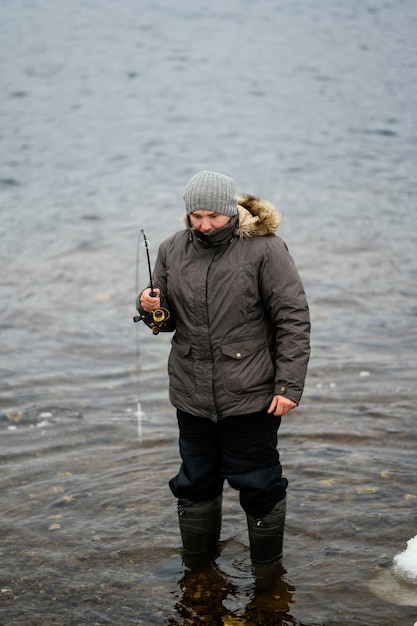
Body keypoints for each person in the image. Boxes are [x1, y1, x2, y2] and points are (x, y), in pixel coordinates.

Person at [137, 171, 310, 565]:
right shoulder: (171, 249)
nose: (203, 225)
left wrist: (289, 386)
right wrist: (148, 307)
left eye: (213, 215)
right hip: (191, 393)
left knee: (259, 483)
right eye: (195, 216)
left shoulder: (266, 249)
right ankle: (197, 570)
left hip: (253, 394)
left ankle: (268, 580)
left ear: (231, 210)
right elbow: (164, 322)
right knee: (195, 481)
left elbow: (293, 319)